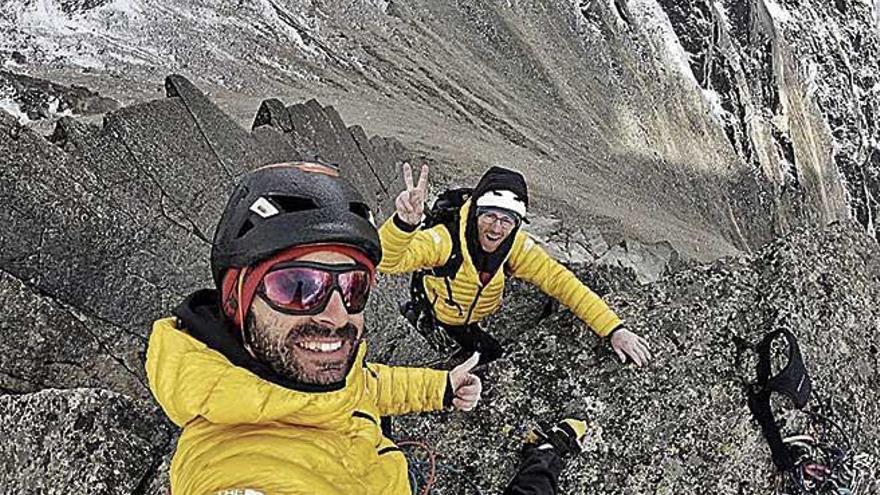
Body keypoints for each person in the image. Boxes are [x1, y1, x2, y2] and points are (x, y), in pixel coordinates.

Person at [145, 161, 589, 494]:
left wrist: (441, 389)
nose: (336, 314)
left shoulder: (297, 375)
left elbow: (360, 384)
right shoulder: (231, 464)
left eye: (354, 287)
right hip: (443, 329)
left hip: (372, 458)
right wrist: (404, 226)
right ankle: (549, 453)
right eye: (298, 286)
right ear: (235, 297)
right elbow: (395, 257)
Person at [379, 163, 652, 367]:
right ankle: (418, 317)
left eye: (507, 220)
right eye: (490, 216)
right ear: (475, 212)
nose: (497, 228)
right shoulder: (445, 241)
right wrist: (405, 224)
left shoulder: (516, 247)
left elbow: (563, 283)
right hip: (444, 315)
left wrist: (614, 329)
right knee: (490, 357)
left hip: (478, 310)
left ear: (517, 223)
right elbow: (387, 261)